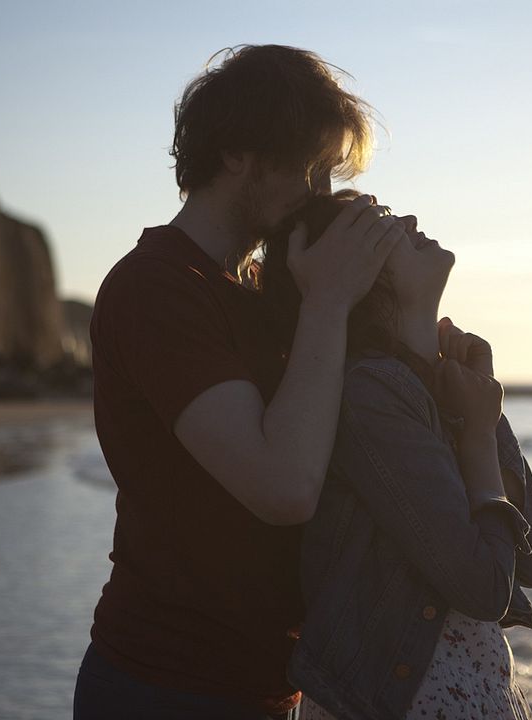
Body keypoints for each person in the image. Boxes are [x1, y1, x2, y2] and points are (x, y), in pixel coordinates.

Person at [73, 46, 405, 719]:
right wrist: (327, 305)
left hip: (261, 683)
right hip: (165, 686)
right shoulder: (156, 288)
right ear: (237, 154)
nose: (320, 193)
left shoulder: (256, 297)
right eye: (311, 167)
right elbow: (281, 488)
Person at [259, 192, 532, 720]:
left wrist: (481, 398)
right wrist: (480, 435)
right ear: (361, 269)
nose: (413, 220)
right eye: (387, 225)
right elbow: (486, 589)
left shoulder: (431, 387)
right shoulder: (371, 391)